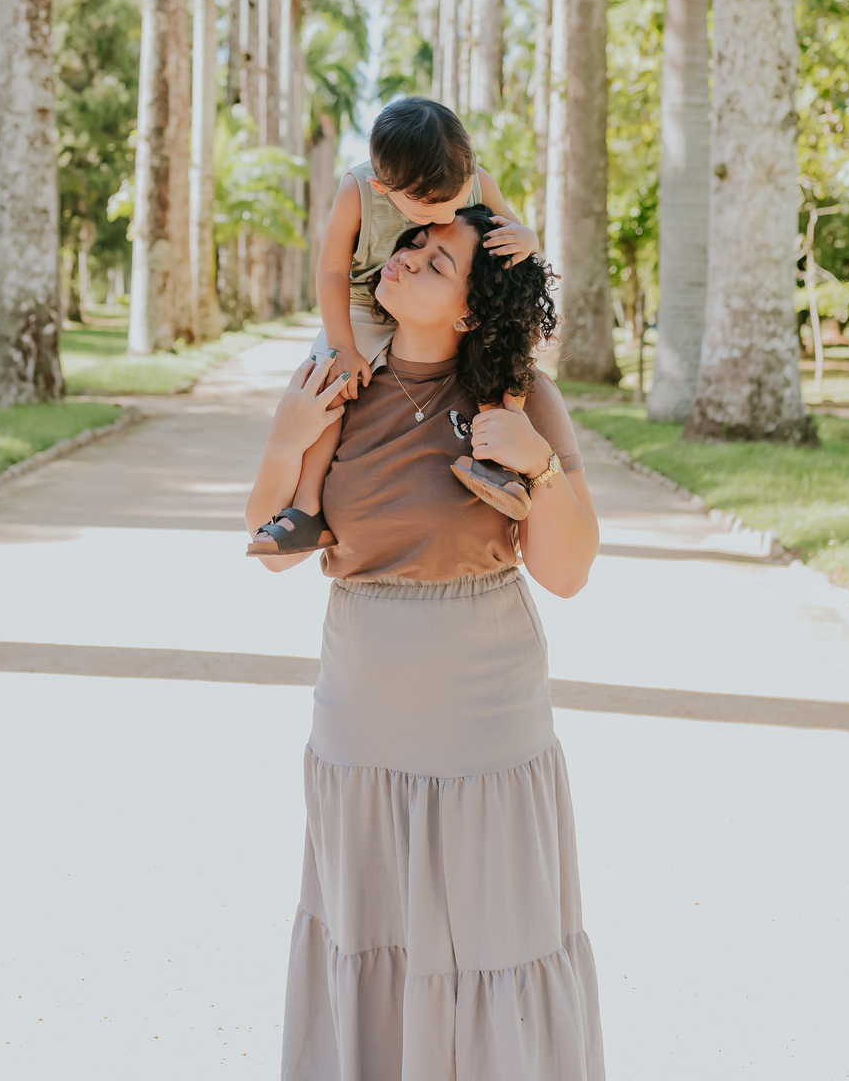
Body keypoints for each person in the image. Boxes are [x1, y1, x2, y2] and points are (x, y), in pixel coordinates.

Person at [247, 204, 606, 1079]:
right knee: (369, 937)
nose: (409, 257)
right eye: (410, 243)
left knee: (496, 938)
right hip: (361, 719)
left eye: (439, 261)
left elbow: (567, 571)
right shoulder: (336, 382)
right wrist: (288, 438)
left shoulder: (519, 396)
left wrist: (538, 464)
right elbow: (270, 548)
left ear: (473, 309)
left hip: (488, 720)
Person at [247, 95, 538, 556]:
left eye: (456, 200)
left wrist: (527, 236)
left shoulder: (475, 180)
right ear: (385, 188)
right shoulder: (358, 190)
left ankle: (501, 462)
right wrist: (343, 345)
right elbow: (330, 271)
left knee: (506, 347)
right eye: (428, 212)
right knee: (331, 382)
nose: (447, 217)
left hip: (432, 305)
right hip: (365, 299)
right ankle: (306, 508)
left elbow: (511, 227)